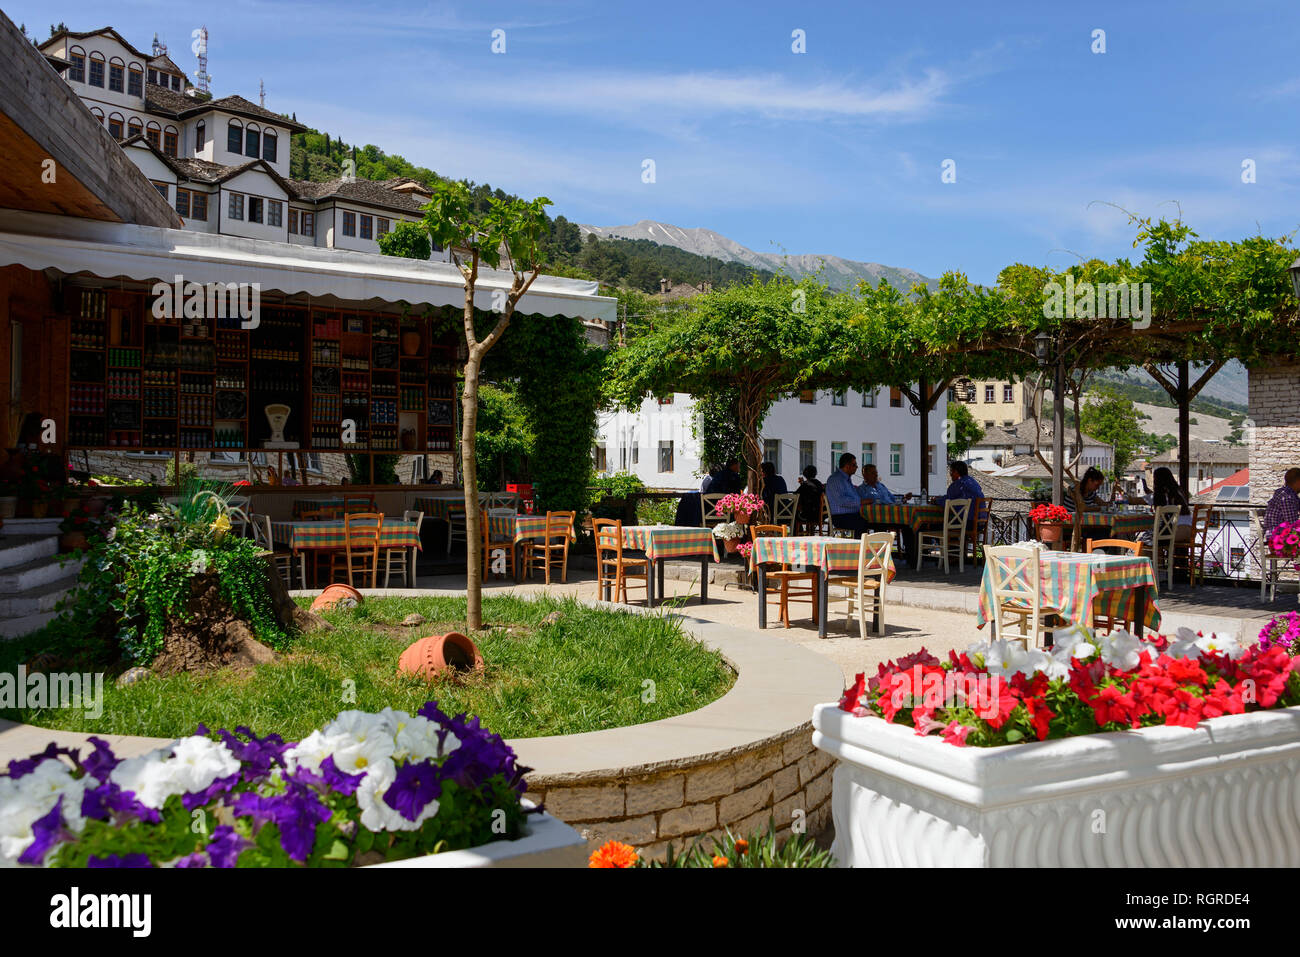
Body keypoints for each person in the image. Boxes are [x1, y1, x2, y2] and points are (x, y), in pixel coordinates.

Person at [826, 452, 870, 537]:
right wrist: (861, 502)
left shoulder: (846, 479)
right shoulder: (836, 479)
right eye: (854, 465)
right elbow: (842, 501)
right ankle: (859, 549)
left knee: (875, 521)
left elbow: (854, 496)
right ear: (847, 466)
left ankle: (878, 547)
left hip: (851, 514)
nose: (857, 467)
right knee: (862, 523)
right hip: (841, 517)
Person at [1150, 466, 1193, 543]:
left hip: (1176, 532)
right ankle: (1164, 555)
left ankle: (1155, 555)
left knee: (1144, 541)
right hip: (1191, 531)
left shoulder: (1162, 494)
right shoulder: (1178, 491)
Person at [1263, 467, 1300, 534]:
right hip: (1278, 536)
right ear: (1298, 482)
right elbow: (1292, 523)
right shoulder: (1286, 496)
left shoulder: (1291, 494)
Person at [795, 464, 825, 529]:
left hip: (808, 515)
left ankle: (799, 534)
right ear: (815, 474)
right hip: (820, 515)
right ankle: (809, 532)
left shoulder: (805, 485)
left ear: (805, 475)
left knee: (794, 514)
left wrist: (802, 484)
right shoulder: (819, 484)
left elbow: (795, 496)